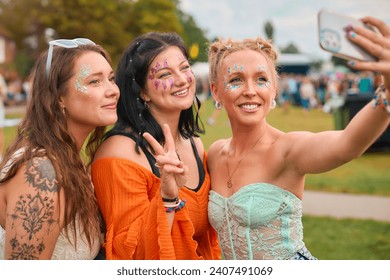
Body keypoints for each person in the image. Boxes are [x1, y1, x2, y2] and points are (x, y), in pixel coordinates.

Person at [206, 16, 390, 260]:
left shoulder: (287, 150)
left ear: (273, 90)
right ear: (215, 91)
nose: (250, 90)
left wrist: (387, 91)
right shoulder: (215, 153)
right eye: (236, 80)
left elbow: (348, 144)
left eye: (261, 79)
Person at [91, 32, 221, 260]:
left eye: (184, 67)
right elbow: (129, 256)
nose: (181, 79)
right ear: (141, 91)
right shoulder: (119, 154)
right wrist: (168, 198)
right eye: (164, 74)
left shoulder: (194, 144)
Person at [0, 38, 120, 259]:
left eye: (111, 79)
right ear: (59, 97)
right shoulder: (40, 173)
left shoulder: (69, 161)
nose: (113, 90)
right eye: (95, 82)